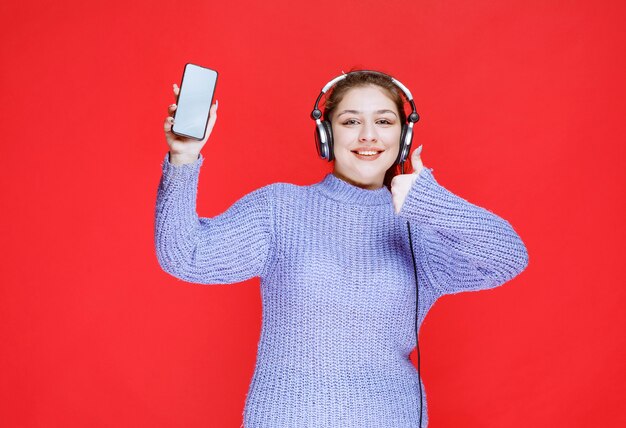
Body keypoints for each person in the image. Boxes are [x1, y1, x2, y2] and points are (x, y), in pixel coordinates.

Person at [154, 69, 529, 428]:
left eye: (384, 122)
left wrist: (428, 199)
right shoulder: (279, 209)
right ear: (326, 134)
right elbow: (185, 256)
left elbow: (508, 256)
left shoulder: (421, 228)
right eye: (351, 122)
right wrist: (183, 159)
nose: (368, 135)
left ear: (405, 136)